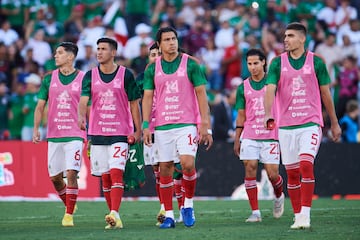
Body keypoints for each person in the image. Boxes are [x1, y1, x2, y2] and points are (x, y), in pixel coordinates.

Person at [264, 22, 341, 229]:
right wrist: (268, 113)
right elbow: (270, 89)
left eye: (290, 36)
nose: (285, 40)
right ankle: (297, 215)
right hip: (286, 126)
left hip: (310, 122)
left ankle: (305, 215)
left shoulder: (316, 62)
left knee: (306, 165)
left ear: (302, 39)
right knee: (292, 173)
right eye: (284, 36)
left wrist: (334, 122)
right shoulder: (276, 63)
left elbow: (326, 93)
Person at [142, 26, 213, 229]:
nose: (172, 42)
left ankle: (188, 205)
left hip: (187, 124)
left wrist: (204, 124)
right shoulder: (151, 68)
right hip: (163, 125)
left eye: (174, 38)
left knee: (187, 164)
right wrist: (146, 125)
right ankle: (169, 215)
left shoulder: (191, 64)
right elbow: (147, 98)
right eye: (167, 40)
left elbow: (201, 93)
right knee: (165, 168)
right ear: (159, 44)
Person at [78, 37, 141, 230]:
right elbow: (83, 100)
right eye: (98, 48)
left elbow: (134, 104)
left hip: (120, 132)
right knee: (105, 177)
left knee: (116, 173)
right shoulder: (89, 76)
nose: (99, 52)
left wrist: (137, 129)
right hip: (97, 133)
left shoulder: (126, 75)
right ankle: (115, 215)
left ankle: (113, 212)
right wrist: (81, 117)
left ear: (113, 53)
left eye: (103, 49)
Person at [32, 42, 86, 227]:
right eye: (56, 53)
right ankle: (69, 203)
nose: (56, 56)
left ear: (70, 57)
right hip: (54, 134)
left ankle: (68, 215)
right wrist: (36, 128)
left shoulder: (83, 78)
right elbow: (40, 106)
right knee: (55, 178)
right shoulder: (48, 79)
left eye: (60, 53)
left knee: (71, 172)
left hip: (75, 134)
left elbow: (91, 106)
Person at [234, 48, 285, 223]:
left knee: (272, 174)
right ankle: (255, 212)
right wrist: (237, 138)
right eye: (249, 64)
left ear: (264, 62)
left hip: (270, 133)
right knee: (250, 168)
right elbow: (241, 115)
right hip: (249, 133)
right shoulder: (243, 87)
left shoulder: (274, 83)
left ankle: (279, 195)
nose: (253, 67)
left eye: (256, 63)